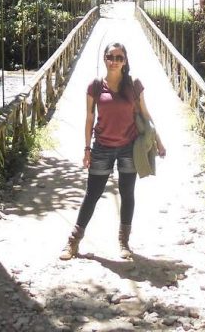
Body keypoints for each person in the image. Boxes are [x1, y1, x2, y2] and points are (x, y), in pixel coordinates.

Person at [59, 40, 166, 260]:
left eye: (119, 58)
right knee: (92, 194)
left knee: (127, 194)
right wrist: (87, 149)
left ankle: (124, 242)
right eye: (110, 57)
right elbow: (89, 118)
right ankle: (73, 242)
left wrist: (159, 141)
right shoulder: (96, 86)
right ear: (104, 59)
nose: (114, 61)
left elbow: (145, 114)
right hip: (102, 147)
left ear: (125, 61)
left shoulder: (133, 85)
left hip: (129, 147)